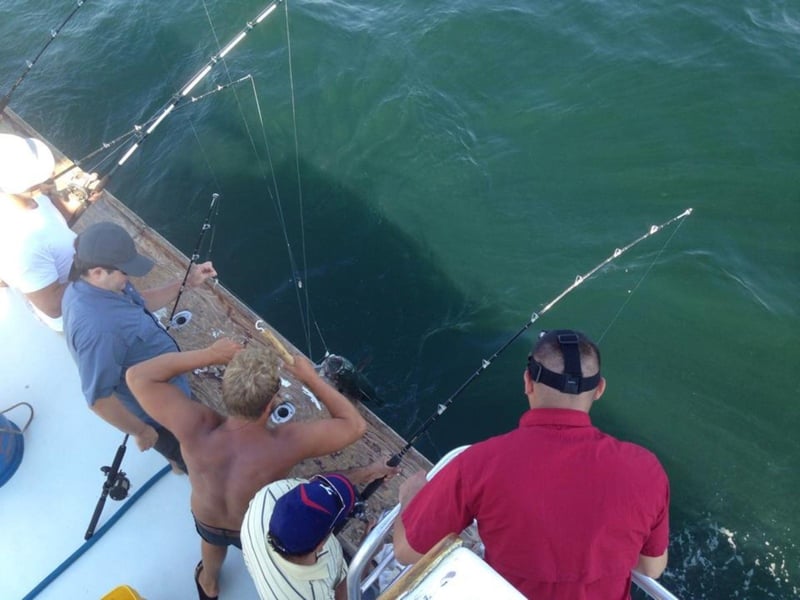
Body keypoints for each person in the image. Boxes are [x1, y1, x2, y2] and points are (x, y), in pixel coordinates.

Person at [393, 329, 670, 599]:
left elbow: (407, 552)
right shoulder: (646, 469)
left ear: (527, 382)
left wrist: (409, 497)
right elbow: (651, 567)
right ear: (599, 389)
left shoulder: (480, 463)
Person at [125, 338, 370, 600]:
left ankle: (209, 582)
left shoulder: (195, 424)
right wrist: (311, 378)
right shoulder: (284, 444)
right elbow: (354, 425)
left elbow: (138, 377)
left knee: (211, 542)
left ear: (226, 390)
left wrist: (210, 354)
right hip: (251, 529)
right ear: (269, 404)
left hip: (206, 516)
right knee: (253, 555)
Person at [62, 221, 217, 472]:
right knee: (205, 466)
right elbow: (98, 398)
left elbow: (140, 303)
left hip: (169, 387)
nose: (129, 276)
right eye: (125, 271)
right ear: (98, 271)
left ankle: (176, 464)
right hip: (160, 416)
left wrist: (186, 282)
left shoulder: (97, 285)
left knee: (184, 453)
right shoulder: (99, 329)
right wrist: (142, 431)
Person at [241, 462, 400, 600]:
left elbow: (314, 483)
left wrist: (370, 471)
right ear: (320, 545)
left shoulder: (269, 495)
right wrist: (367, 551)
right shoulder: (310, 594)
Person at [0, 133, 82, 330]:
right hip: (75, 314)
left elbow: (53, 225)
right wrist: (96, 275)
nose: (52, 175)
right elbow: (53, 307)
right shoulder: (23, 244)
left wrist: (80, 201)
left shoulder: (25, 198)